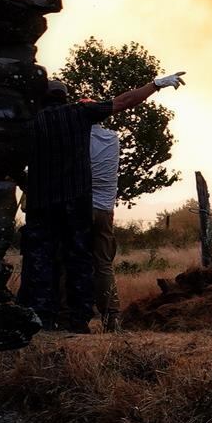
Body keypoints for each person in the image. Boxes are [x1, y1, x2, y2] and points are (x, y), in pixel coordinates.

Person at [19, 70, 183, 333]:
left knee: (44, 262)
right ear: (65, 98)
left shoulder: (30, 123)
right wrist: (155, 84)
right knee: (80, 261)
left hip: (42, 205)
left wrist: (27, 184)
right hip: (76, 204)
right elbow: (123, 102)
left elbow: (12, 162)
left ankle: (42, 320)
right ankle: (80, 320)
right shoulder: (79, 114)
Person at [89, 123, 124, 332]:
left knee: (67, 258)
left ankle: (68, 315)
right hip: (105, 210)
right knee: (103, 264)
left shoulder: (78, 135)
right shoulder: (112, 138)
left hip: (80, 207)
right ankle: (112, 317)